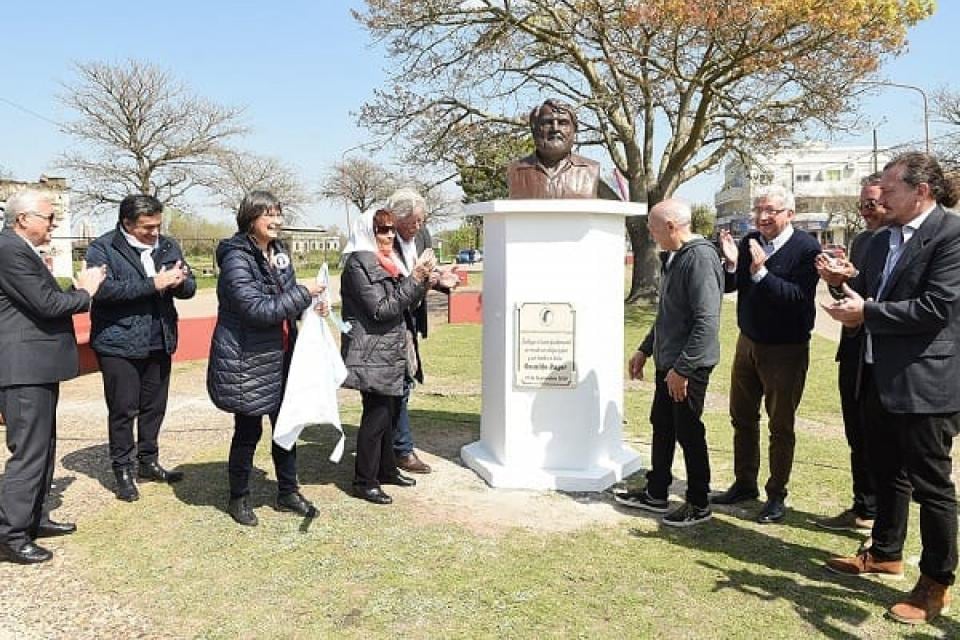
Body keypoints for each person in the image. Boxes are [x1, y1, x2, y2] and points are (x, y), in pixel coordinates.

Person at [823, 153, 960, 625]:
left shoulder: (951, 235)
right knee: (886, 472)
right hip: (876, 375)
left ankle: (936, 583)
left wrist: (868, 313)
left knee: (932, 486)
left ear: (921, 191)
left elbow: (936, 307)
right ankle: (885, 552)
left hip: (926, 383)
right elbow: (872, 302)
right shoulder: (882, 240)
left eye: (890, 187)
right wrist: (843, 289)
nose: (880, 195)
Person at [206, 191, 326, 527]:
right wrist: (304, 293)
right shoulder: (235, 258)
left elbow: (284, 300)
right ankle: (239, 497)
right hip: (248, 360)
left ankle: (288, 491)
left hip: (284, 354)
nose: (276, 220)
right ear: (250, 219)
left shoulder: (278, 252)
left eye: (278, 213)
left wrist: (311, 305)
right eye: (267, 214)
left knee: (287, 427)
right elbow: (256, 310)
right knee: (247, 431)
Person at [0, 190, 105, 564]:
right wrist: (85, 290)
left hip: (36, 366)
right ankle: (10, 536)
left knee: (43, 449)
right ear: (23, 218)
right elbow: (47, 305)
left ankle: (34, 518)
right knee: (29, 452)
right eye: (49, 217)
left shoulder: (19, 249)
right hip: (23, 368)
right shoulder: (9, 249)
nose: (54, 223)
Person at [711, 185, 820, 524]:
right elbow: (734, 287)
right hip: (748, 342)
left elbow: (797, 299)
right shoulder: (749, 242)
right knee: (741, 417)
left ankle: (776, 495)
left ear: (790, 213)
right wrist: (732, 264)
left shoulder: (806, 248)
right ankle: (745, 483)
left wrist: (762, 272)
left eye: (770, 210)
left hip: (785, 349)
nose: (762, 217)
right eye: (758, 210)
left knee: (780, 425)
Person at [615, 198, 723, 526]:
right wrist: (645, 350)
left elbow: (706, 321)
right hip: (668, 363)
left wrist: (683, 369)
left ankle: (698, 503)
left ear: (672, 227)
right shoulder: (674, 257)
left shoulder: (700, 258)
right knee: (662, 425)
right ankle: (655, 492)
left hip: (687, 366)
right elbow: (668, 315)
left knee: (688, 431)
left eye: (653, 226)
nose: (649, 232)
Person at [85, 195, 196, 502]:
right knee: (123, 409)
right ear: (127, 224)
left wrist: (180, 283)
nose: (155, 233)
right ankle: (122, 469)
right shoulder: (103, 247)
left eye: (158, 226)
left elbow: (190, 288)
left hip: (159, 338)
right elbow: (102, 290)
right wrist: (154, 283)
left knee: (154, 406)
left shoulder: (168, 245)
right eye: (147, 228)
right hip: (118, 343)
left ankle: (148, 460)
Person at [340, 208, 435, 504]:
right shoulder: (358, 264)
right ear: (368, 232)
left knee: (390, 412)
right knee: (376, 415)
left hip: (389, 349)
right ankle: (364, 480)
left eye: (392, 229)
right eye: (382, 230)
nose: (389, 235)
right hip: (372, 351)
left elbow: (403, 302)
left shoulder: (387, 262)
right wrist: (415, 277)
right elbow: (382, 309)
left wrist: (424, 282)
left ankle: (385, 469)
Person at [813, 174, 887, 534]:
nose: (866, 211)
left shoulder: (908, 243)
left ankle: (884, 526)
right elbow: (853, 295)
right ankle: (863, 507)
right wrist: (836, 281)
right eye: (862, 205)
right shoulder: (862, 240)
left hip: (888, 359)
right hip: (855, 349)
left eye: (871, 204)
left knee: (884, 445)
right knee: (856, 435)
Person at [385, 187, 460, 474]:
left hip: (411, 317)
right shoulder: (382, 239)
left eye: (421, 221)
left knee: (406, 381)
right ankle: (401, 449)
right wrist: (423, 281)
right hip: (389, 320)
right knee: (399, 383)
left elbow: (427, 272)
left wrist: (442, 279)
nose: (418, 227)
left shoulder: (423, 236)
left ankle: (396, 445)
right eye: (413, 222)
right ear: (395, 219)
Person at [507, 99, 600, 199]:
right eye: (547, 122)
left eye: (563, 123)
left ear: (574, 130)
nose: (555, 129)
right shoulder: (516, 170)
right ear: (534, 129)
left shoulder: (590, 169)